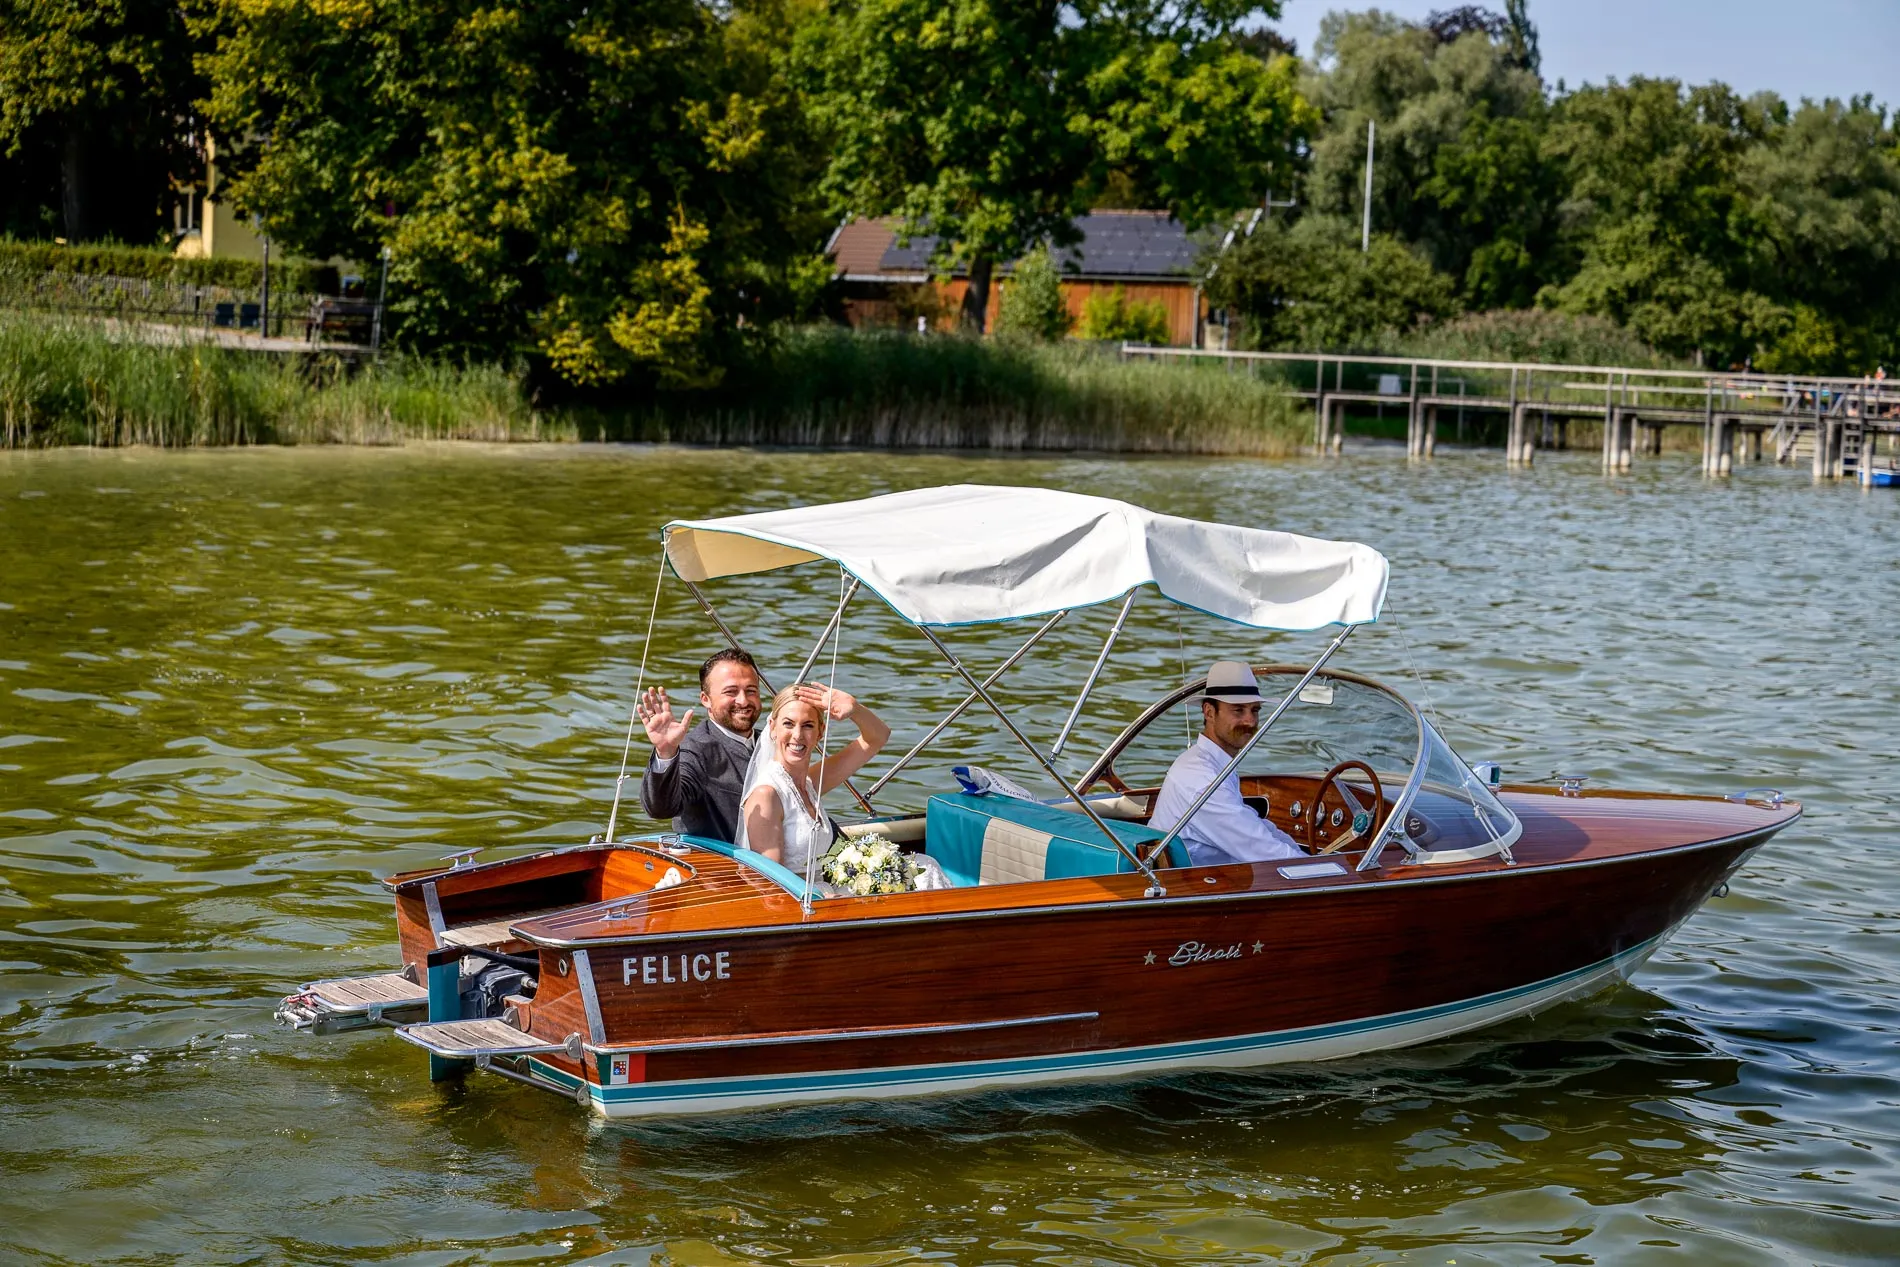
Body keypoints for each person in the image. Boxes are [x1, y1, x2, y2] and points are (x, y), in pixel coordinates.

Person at [742, 683, 954, 891]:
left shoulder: (810, 782)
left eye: (808, 725)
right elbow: (771, 888)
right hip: (808, 905)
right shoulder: (767, 794)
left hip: (826, 891)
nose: (797, 735)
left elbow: (878, 737)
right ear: (772, 728)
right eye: (788, 724)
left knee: (925, 866)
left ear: (820, 731)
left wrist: (855, 709)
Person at [1149, 660, 1304, 867]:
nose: (1250, 721)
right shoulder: (1202, 779)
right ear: (1209, 712)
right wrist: (1322, 869)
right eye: (1238, 710)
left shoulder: (1209, 763)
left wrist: (1306, 855)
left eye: (1255, 710)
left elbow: (1255, 828)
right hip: (1195, 891)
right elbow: (1261, 850)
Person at [637, 648, 762, 843]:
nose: (743, 700)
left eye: (751, 691)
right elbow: (661, 808)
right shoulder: (696, 748)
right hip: (720, 866)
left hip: (784, 866)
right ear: (706, 699)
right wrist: (666, 751)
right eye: (731, 692)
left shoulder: (773, 742)